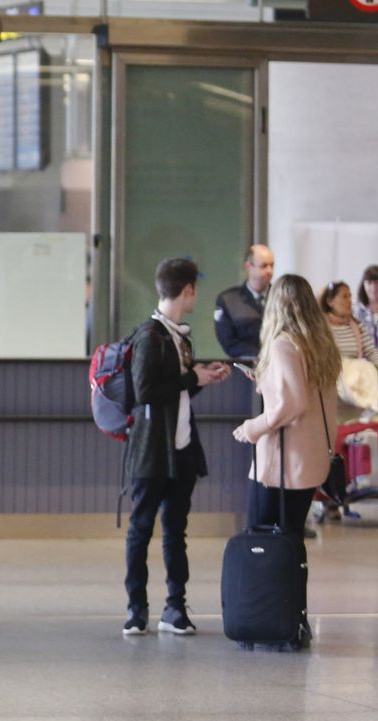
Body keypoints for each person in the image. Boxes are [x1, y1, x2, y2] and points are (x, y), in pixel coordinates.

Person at [121, 257, 232, 638]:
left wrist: (203, 379)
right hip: (152, 451)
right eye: (195, 289)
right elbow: (145, 392)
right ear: (187, 290)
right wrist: (190, 378)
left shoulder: (180, 336)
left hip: (181, 449)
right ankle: (137, 609)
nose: (196, 295)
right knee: (141, 529)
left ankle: (175, 607)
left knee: (175, 530)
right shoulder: (150, 336)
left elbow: (178, 390)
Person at [233, 275, 342, 552]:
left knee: (261, 543)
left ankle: (263, 597)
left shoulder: (283, 344)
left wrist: (253, 428)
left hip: (281, 465)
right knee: (291, 541)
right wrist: (265, 380)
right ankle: (291, 595)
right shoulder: (320, 345)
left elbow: (292, 404)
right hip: (310, 462)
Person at [213, 244, 275, 360]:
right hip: (245, 368)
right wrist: (261, 355)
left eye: (272, 265)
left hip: (277, 367)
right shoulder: (229, 300)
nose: (270, 271)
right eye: (264, 266)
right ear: (248, 266)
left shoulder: (282, 297)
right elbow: (229, 342)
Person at [320, 281, 378, 367]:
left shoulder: (357, 326)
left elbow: (371, 352)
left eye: (350, 296)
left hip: (355, 377)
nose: (350, 300)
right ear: (330, 302)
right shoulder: (320, 327)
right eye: (345, 297)